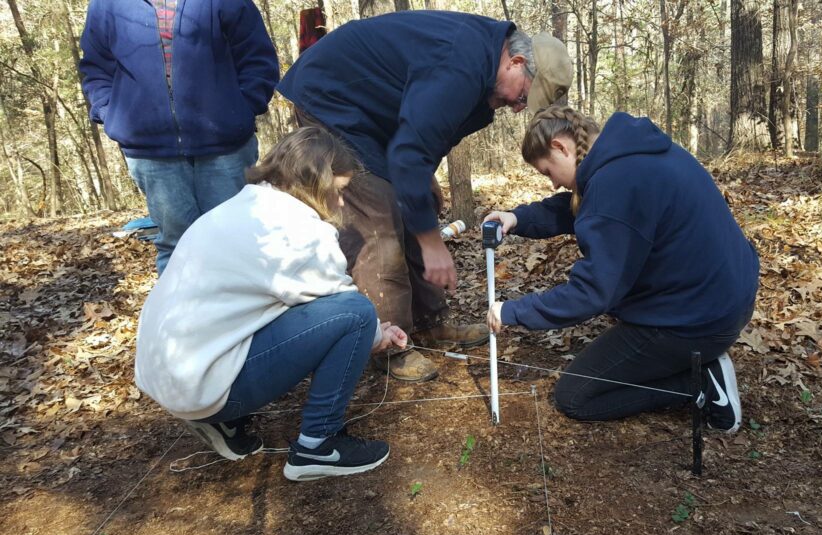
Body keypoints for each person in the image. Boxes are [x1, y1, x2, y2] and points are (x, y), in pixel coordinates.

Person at [276, 10, 572, 382]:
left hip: (377, 120)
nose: (517, 108)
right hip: (332, 100)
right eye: (523, 97)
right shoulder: (461, 64)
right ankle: (390, 342)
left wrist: (424, 176)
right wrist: (432, 244)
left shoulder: (482, 80)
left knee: (422, 203)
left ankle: (430, 321)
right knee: (378, 211)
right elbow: (409, 152)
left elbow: (428, 134)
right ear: (515, 62)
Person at [134, 127, 407, 481]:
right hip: (199, 384)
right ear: (316, 184)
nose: (341, 204)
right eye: (339, 192)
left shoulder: (241, 206)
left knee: (296, 311)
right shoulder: (299, 230)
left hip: (167, 375)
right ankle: (318, 445)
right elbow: (342, 306)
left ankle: (225, 422)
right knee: (357, 313)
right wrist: (376, 336)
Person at [485, 106, 760, 432]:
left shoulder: (615, 181)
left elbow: (593, 291)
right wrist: (518, 218)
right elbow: (589, 208)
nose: (554, 185)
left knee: (575, 395)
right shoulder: (629, 152)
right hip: (724, 299)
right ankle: (693, 360)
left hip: (697, 321)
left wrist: (514, 312)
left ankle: (697, 381)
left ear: (561, 146)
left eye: (548, 172)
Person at [79, 0, 279, 275]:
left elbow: (256, 56)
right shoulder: (107, 5)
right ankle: (181, 318)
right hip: (150, 149)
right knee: (177, 245)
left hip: (226, 145)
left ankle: (247, 317)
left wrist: (244, 106)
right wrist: (108, 111)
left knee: (237, 240)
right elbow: (96, 66)